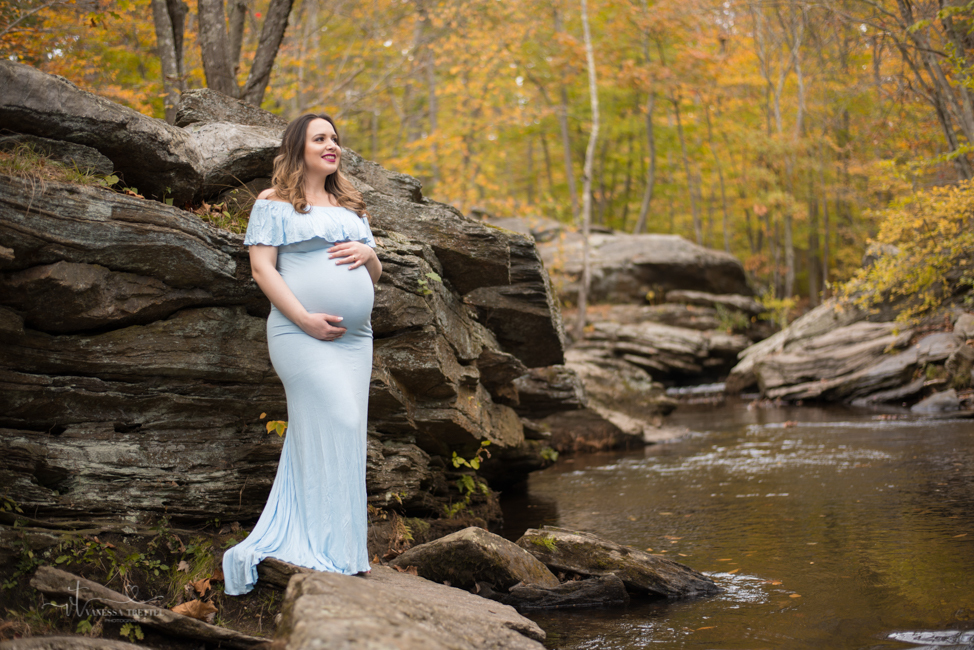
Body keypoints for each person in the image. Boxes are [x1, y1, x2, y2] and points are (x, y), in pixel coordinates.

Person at [222, 114, 381, 596]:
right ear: (299, 148)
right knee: (341, 416)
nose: (331, 145)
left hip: (356, 340)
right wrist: (305, 318)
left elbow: (373, 276)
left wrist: (368, 254)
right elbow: (262, 270)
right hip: (300, 334)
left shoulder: (351, 206)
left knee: (344, 430)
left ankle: (344, 550)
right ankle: (320, 546)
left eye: (335, 138)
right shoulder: (273, 203)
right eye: (320, 138)